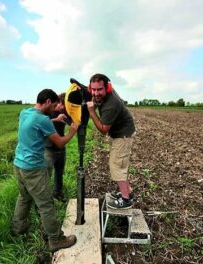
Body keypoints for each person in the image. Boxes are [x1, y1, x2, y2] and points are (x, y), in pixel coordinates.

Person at [11, 89, 78, 252]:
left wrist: (55, 118)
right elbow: (60, 143)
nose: (55, 108)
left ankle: (17, 230)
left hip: (18, 165)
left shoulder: (25, 112)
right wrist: (72, 131)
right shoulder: (43, 120)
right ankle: (55, 240)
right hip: (33, 168)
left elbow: (37, 124)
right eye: (54, 105)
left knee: (24, 197)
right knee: (46, 205)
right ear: (48, 101)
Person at [86, 73, 135, 209]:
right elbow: (94, 93)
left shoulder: (111, 104)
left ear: (107, 88)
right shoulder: (105, 91)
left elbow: (103, 129)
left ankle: (125, 199)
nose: (96, 93)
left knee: (116, 165)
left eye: (99, 89)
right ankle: (127, 191)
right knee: (120, 164)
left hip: (123, 135)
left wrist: (91, 111)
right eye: (93, 89)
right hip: (120, 133)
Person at [45, 93, 70, 202]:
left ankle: (58, 193)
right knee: (46, 176)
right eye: (61, 103)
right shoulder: (48, 112)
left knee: (59, 172)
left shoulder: (64, 113)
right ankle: (45, 199)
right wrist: (56, 119)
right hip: (48, 149)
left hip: (61, 147)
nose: (62, 107)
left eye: (65, 105)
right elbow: (40, 123)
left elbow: (74, 121)